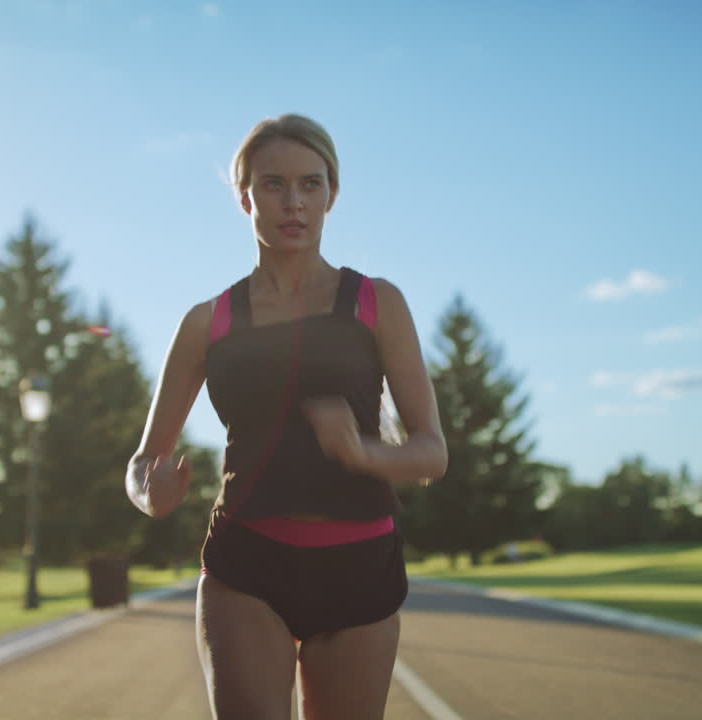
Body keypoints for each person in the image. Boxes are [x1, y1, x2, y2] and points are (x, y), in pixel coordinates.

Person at [125, 114, 448, 720]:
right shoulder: (207, 322)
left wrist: (364, 453)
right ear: (245, 196)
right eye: (274, 184)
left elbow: (432, 452)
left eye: (311, 184)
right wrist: (152, 493)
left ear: (332, 194)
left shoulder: (377, 303)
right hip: (247, 564)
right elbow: (144, 461)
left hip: (360, 567)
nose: (293, 203)